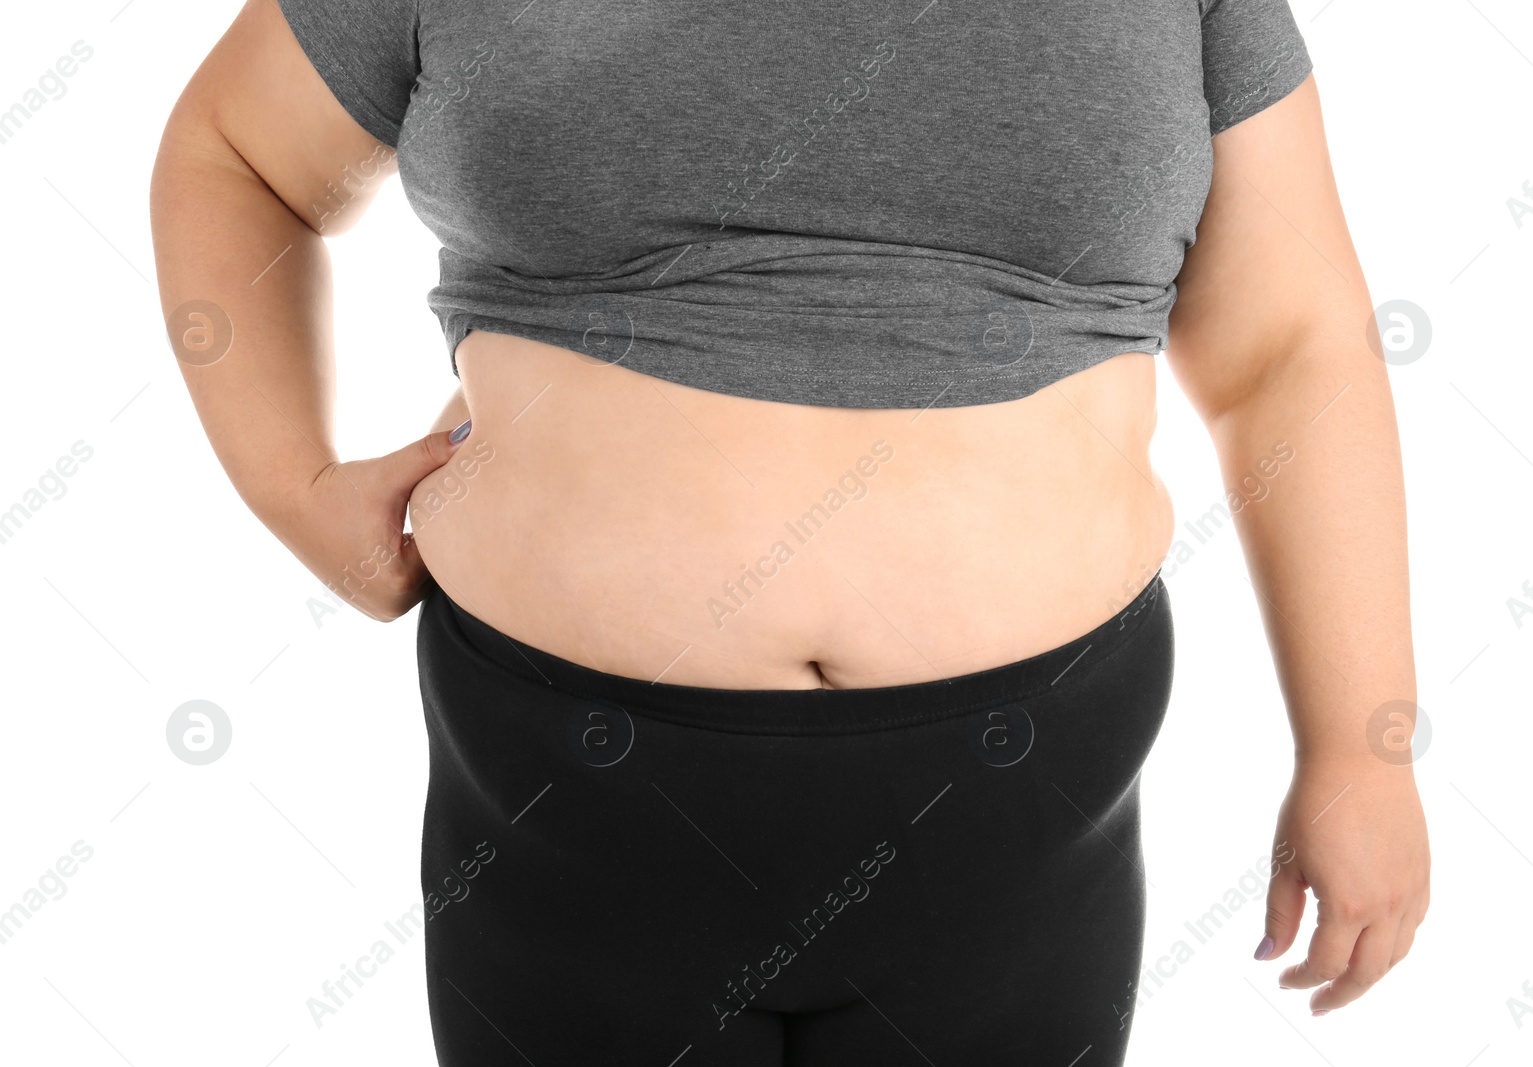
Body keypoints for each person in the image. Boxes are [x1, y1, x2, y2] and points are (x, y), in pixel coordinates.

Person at [150, 0, 1430, 1062]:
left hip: (1013, 807)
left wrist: (1361, 749)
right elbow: (236, 155)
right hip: (572, 798)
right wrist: (291, 484)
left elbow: (1290, 346)